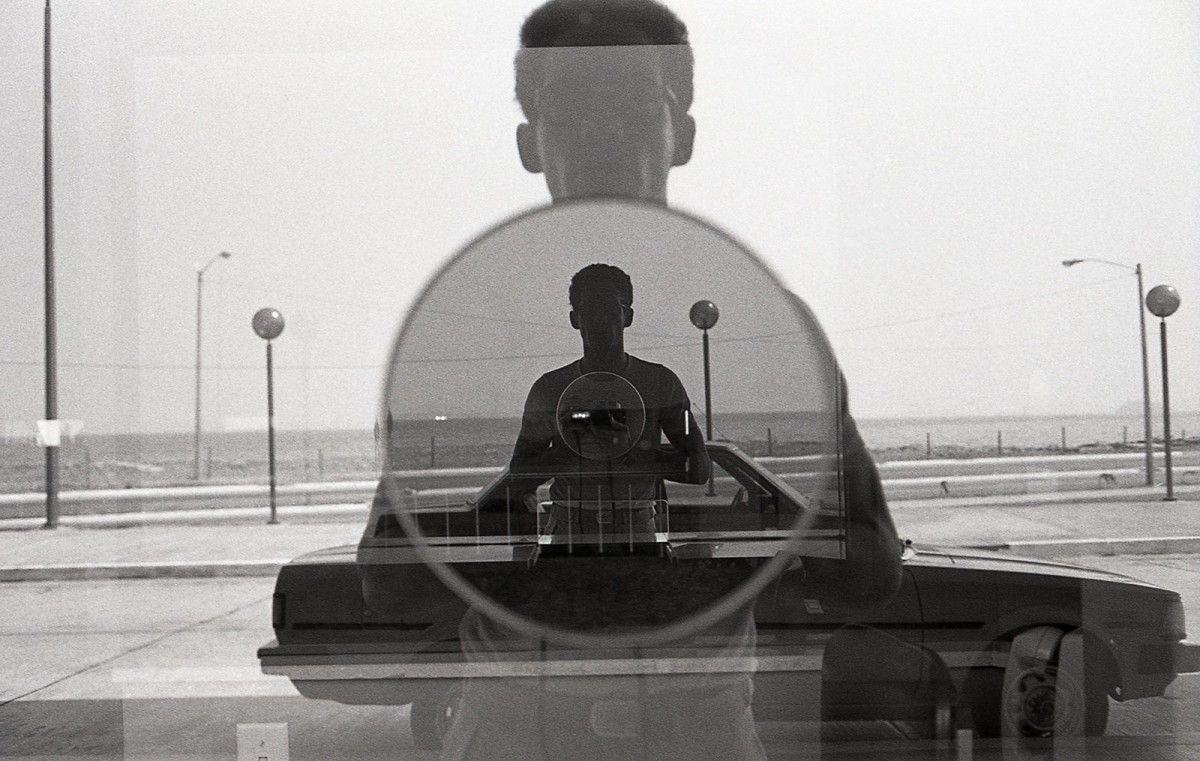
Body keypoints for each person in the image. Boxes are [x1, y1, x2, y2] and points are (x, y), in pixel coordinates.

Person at [506, 263, 709, 543]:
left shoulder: (660, 383)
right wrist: (572, 451)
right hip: (572, 530)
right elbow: (518, 474)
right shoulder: (549, 388)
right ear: (575, 318)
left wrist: (631, 451)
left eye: (610, 309)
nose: (600, 320)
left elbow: (699, 469)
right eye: (589, 311)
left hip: (631, 528)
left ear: (627, 316)